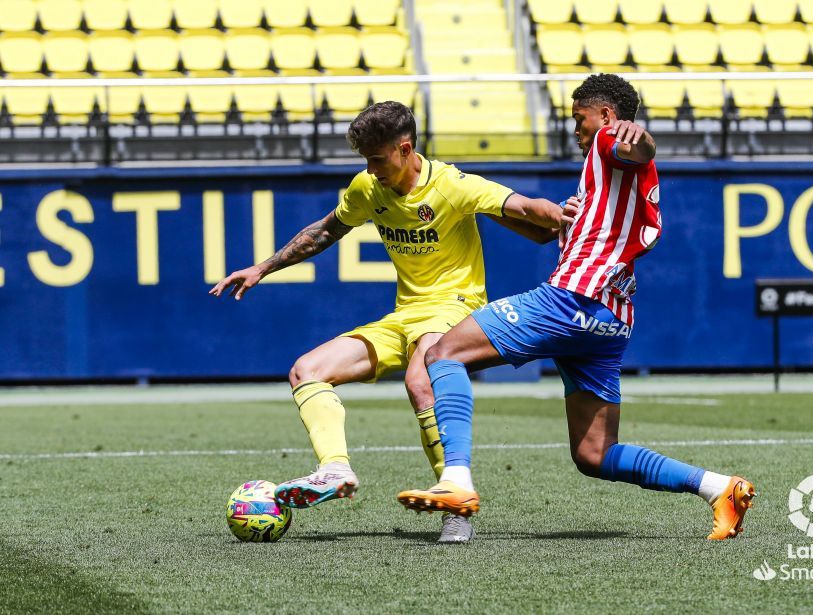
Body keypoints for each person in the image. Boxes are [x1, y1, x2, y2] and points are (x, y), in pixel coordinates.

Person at [396, 75, 756, 540]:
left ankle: (457, 482)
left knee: (442, 354)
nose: (576, 129)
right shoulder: (603, 183)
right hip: (611, 317)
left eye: (579, 118)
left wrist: (639, 136)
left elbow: (639, 147)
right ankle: (719, 488)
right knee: (594, 455)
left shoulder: (612, 139)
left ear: (605, 115)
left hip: (572, 299)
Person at [210, 101, 564, 543]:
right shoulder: (368, 188)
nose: (371, 169)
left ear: (405, 147)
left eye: (377, 159)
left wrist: (566, 216)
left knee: (421, 380)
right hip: (404, 316)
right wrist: (261, 268)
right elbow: (324, 231)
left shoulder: (452, 185)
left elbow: (526, 207)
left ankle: (457, 502)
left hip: (454, 308)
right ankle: (335, 469)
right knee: (306, 370)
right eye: (366, 160)